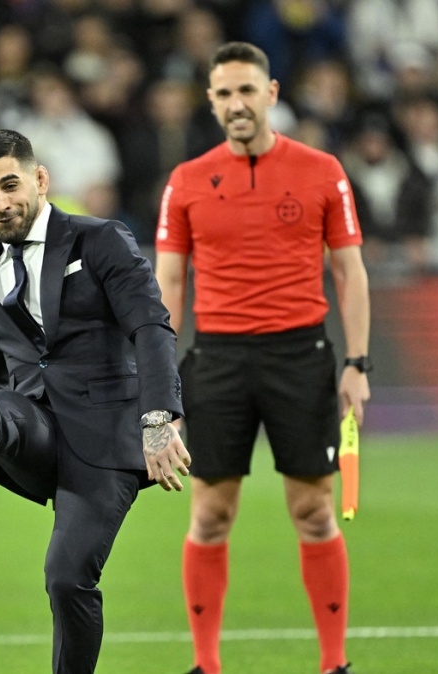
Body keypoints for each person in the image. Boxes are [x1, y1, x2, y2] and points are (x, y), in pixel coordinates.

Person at [0, 128, 191, 674]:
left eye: (10, 185)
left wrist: (158, 418)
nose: (0, 202)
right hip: (32, 434)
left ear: (40, 179)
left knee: (67, 578)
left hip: (107, 439)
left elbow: (151, 325)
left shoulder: (100, 240)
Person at [153, 42, 370, 674]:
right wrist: (163, 380)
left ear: (272, 94)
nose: (236, 103)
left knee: (313, 509)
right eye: (223, 93)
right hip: (216, 359)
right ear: (211, 101)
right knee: (211, 513)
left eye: (247, 90)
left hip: (300, 354)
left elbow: (349, 272)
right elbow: (169, 284)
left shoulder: (322, 169)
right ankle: (206, 665)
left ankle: (334, 664)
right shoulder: (187, 180)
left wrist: (357, 362)